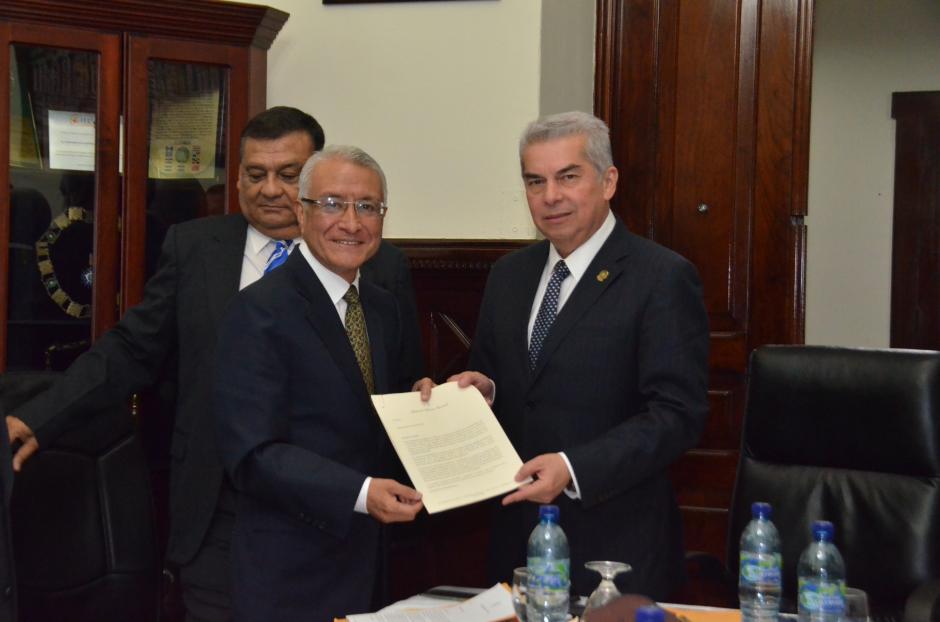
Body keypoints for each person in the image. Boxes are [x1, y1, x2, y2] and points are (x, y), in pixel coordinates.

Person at [5, 107, 423, 621]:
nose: (270, 189)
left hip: (337, 520)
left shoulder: (380, 265)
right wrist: (42, 414)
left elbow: (399, 386)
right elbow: (133, 349)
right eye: (254, 174)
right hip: (217, 505)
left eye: (287, 175)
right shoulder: (196, 248)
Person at [450, 111, 709, 599]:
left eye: (568, 177)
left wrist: (573, 467)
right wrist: (484, 387)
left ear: (608, 181)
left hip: (617, 549)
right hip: (516, 542)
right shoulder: (508, 276)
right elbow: (498, 375)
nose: (550, 196)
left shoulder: (661, 277)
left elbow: (678, 415)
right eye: (535, 181)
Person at [215, 145, 426, 620]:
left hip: (374, 564)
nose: (351, 223)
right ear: (300, 211)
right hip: (292, 572)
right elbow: (253, 454)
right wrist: (359, 492)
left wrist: (426, 401)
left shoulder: (383, 307)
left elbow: (377, 413)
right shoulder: (259, 311)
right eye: (332, 203)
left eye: (367, 207)